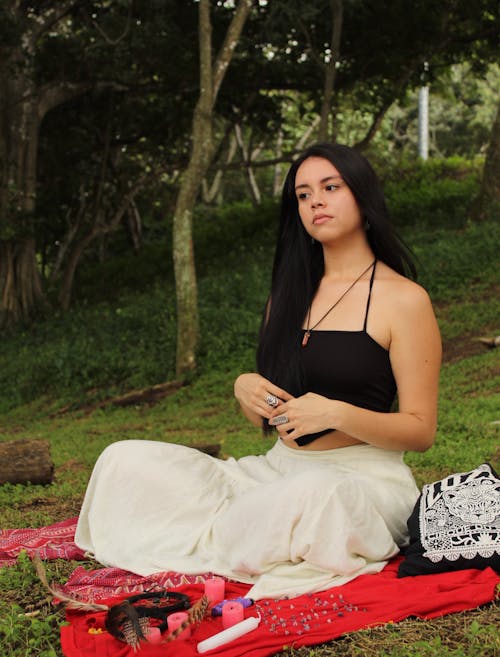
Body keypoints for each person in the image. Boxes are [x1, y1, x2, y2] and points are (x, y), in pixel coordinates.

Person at [75, 143, 441, 600]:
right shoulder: (288, 297)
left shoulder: (404, 300)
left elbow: (420, 430)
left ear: (363, 199)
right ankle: (237, 529)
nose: (316, 202)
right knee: (123, 459)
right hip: (276, 472)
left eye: (331, 187)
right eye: (303, 195)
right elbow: (269, 420)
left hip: (359, 483)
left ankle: (232, 530)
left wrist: (337, 415)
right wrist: (244, 389)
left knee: (314, 497)